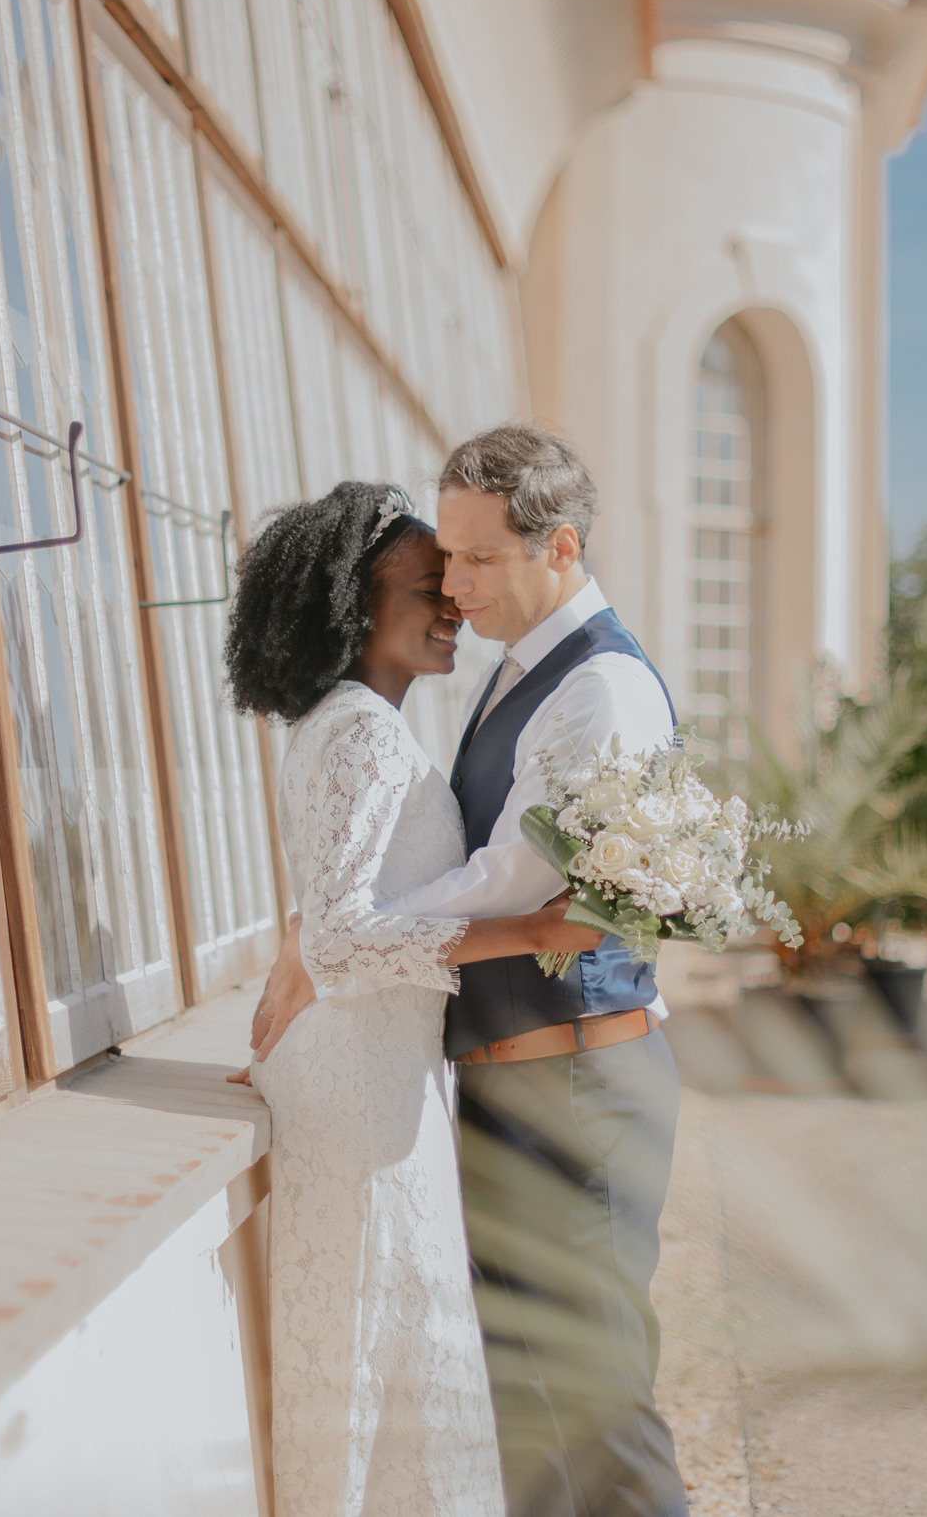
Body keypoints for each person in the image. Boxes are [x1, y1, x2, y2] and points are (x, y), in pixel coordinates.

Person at [251, 425, 688, 1517]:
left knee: (594, 1400)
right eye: (447, 558)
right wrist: (325, 931)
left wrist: (325, 940)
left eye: (480, 557)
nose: (456, 584)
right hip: (508, 1074)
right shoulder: (512, 673)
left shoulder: (601, 690)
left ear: (561, 546)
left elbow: (512, 878)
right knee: (528, 1411)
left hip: (573, 1076)